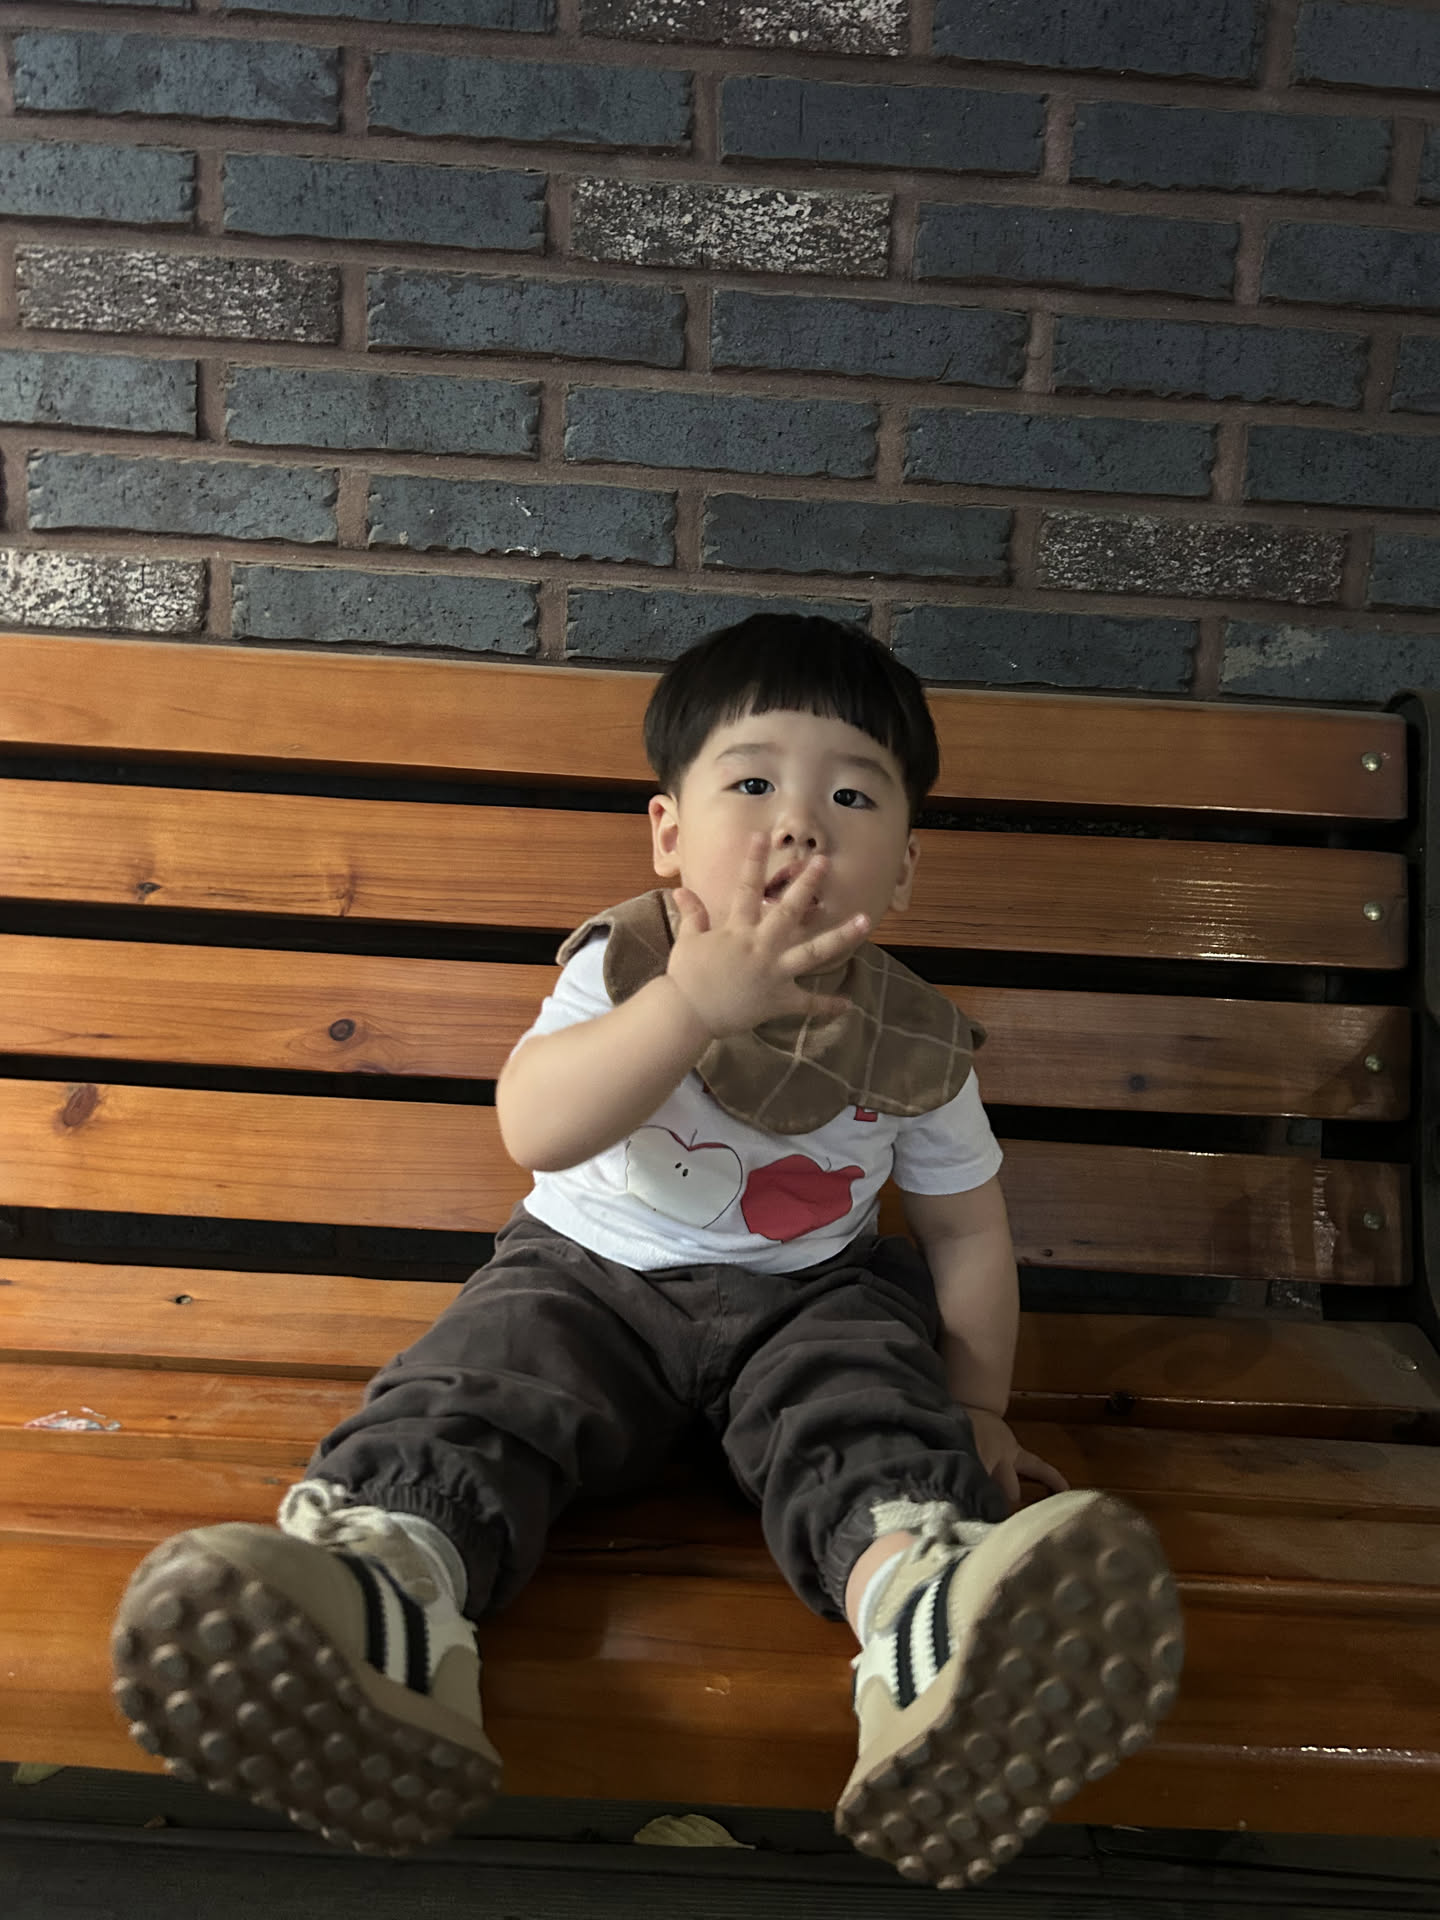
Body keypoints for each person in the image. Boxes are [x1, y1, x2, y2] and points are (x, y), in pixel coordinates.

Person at [110, 614, 1184, 1889]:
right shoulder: (624, 966)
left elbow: (965, 1228)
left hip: (807, 1302)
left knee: (864, 1407)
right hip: (584, 1285)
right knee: (480, 1386)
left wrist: (982, 1405)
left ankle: (928, 1627)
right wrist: (687, 1007)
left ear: (903, 867)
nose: (800, 827)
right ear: (669, 833)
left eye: (851, 795)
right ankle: (383, 1601)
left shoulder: (915, 1043)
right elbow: (535, 1127)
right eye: (753, 785)